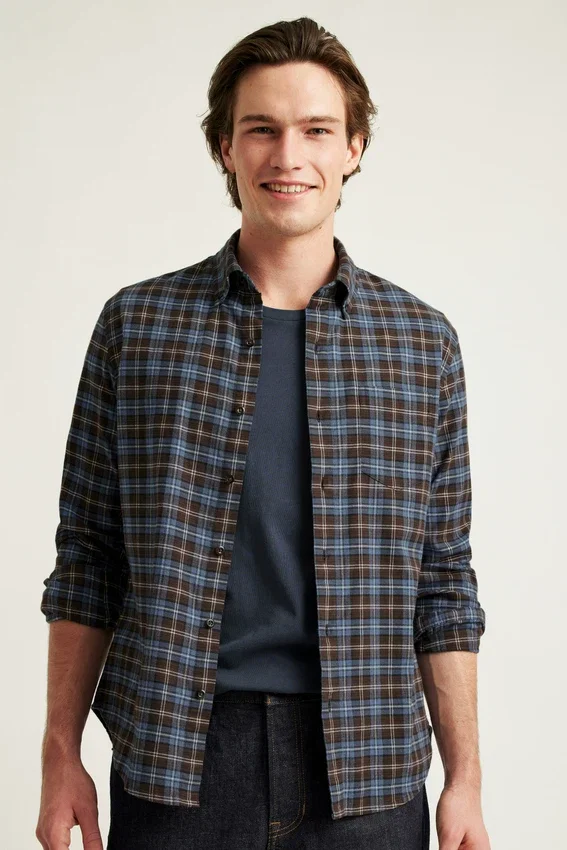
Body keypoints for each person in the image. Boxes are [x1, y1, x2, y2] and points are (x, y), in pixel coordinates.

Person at [36, 16, 490, 850]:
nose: (288, 156)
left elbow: (442, 582)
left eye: (316, 130)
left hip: (368, 769)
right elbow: (88, 561)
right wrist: (59, 754)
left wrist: (464, 779)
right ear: (224, 147)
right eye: (261, 130)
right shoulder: (138, 328)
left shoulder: (420, 344)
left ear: (353, 147)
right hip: (177, 764)